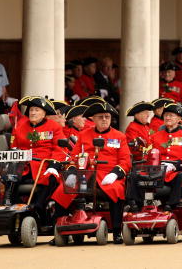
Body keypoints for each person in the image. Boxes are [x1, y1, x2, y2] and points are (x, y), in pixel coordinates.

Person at [55, 102, 131, 243]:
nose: (104, 119)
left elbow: (125, 161)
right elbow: (73, 156)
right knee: (62, 189)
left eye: (107, 117)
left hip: (107, 175)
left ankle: (116, 231)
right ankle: (60, 231)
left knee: (116, 190)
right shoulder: (84, 135)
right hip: (85, 174)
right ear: (93, 119)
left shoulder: (119, 136)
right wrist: (71, 171)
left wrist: (115, 173)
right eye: (100, 117)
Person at [10, 96, 67, 223]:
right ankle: (13, 210)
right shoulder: (20, 126)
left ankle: (38, 208)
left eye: (36, 110)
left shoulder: (54, 127)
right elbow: (14, 147)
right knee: (9, 179)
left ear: (44, 113)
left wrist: (53, 165)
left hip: (45, 165)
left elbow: (59, 149)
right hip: (23, 166)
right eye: (31, 110)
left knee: (50, 177)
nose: (33, 113)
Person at [130, 103, 182, 211]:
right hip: (156, 170)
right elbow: (148, 153)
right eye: (166, 115)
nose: (168, 117)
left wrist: (175, 166)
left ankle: (170, 204)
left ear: (179, 118)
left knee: (181, 176)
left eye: (171, 115)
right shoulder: (155, 136)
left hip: (173, 172)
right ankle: (135, 204)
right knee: (134, 175)